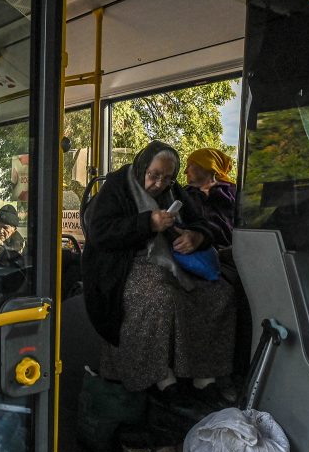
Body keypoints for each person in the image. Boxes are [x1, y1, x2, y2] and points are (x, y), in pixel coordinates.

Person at [81, 140, 235, 399]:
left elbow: (202, 224)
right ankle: (157, 373)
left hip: (172, 260)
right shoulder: (118, 186)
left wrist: (196, 237)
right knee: (160, 295)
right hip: (125, 263)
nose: (159, 184)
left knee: (219, 294)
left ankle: (202, 372)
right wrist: (146, 223)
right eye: (154, 176)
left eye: (167, 178)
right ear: (143, 168)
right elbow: (100, 233)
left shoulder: (174, 190)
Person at [184, 148, 236, 250]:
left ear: (209, 165)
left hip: (231, 256)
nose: (185, 171)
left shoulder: (234, 192)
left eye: (190, 165)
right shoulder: (182, 194)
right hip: (194, 254)